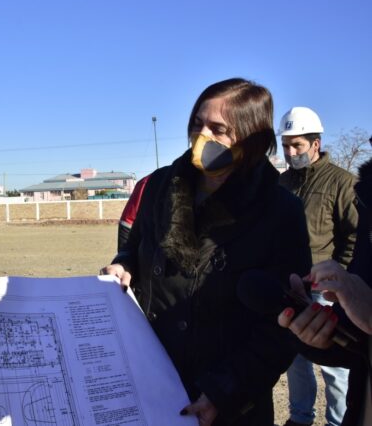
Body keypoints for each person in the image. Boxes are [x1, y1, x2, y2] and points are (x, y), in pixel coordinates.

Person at [101, 78, 312, 426]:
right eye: (198, 123)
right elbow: (134, 248)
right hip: (154, 383)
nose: (203, 136)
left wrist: (224, 391)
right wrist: (124, 267)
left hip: (229, 402)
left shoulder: (280, 210)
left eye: (219, 129)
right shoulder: (159, 186)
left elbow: (283, 324)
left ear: (252, 138)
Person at [278, 150, 372, 426]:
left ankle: (335, 418)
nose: (291, 152)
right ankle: (301, 416)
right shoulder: (283, 183)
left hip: (332, 285)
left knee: (335, 376)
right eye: (286, 145)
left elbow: (351, 236)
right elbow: (359, 347)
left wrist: (345, 279)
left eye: (296, 144)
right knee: (302, 358)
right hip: (308, 284)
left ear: (315, 143)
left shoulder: (340, 181)